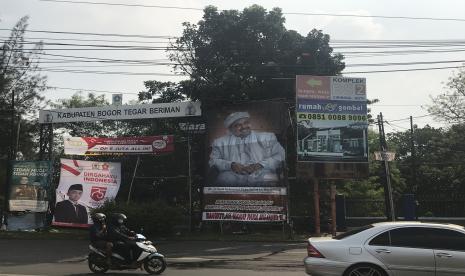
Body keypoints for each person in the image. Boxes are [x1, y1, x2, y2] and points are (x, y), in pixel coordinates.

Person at [209, 111, 285, 186]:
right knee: (223, 179)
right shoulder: (219, 142)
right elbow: (213, 161)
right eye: (238, 125)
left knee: (271, 179)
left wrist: (259, 165)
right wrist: (231, 165)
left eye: (246, 123)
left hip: (261, 174)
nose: (244, 127)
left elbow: (280, 155)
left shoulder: (267, 137)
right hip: (233, 176)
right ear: (230, 129)